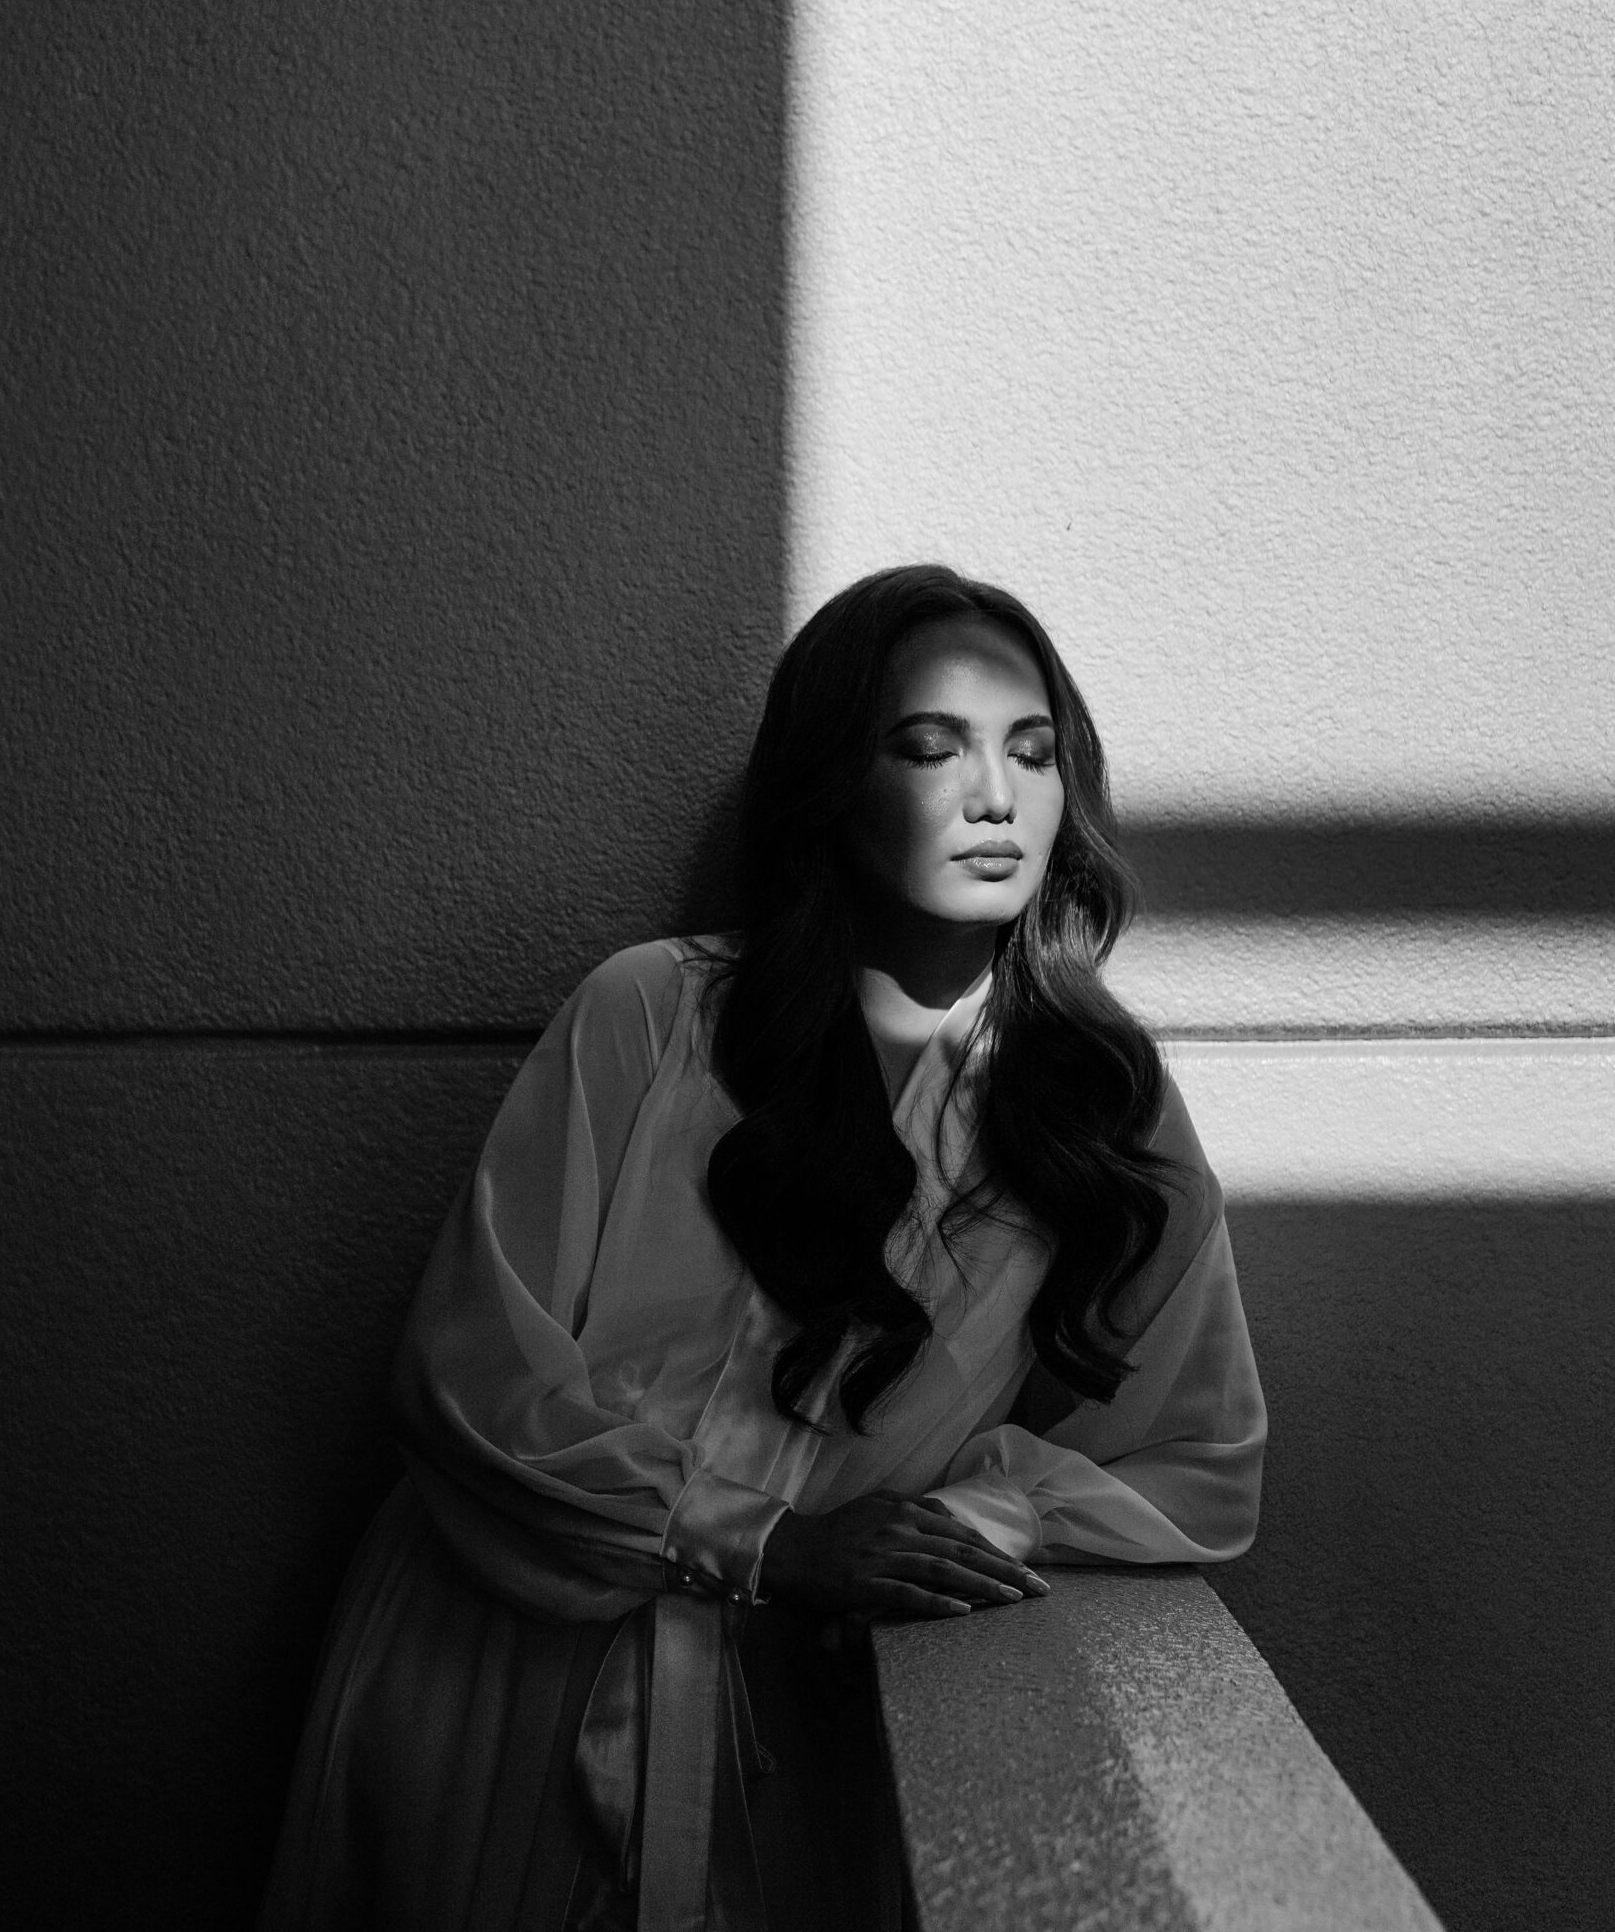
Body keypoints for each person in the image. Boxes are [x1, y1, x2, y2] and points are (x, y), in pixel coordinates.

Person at [258, 566, 1266, 1932]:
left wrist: (974, 1524)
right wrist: (765, 1540)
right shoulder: (654, 1012)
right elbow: (472, 1376)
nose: (996, 798)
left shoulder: (1099, 1098)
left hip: (806, 1724)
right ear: (832, 781)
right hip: (511, 1666)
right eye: (932, 747)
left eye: (1032, 752)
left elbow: (1195, 1450)